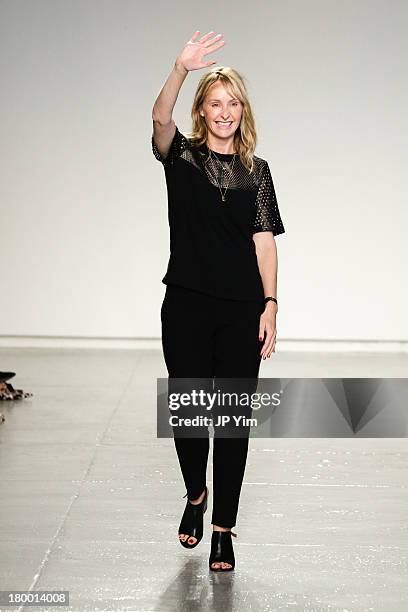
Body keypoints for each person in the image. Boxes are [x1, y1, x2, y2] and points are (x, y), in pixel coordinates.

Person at [151, 30, 285, 572]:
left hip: (239, 311)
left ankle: (223, 529)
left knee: (232, 422)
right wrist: (180, 68)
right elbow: (160, 120)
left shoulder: (258, 172)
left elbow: (264, 241)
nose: (224, 111)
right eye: (215, 103)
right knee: (188, 414)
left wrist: (271, 304)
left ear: (241, 111)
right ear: (202, 112)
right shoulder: (181, 158)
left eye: (232, 103)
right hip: (184, 304)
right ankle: (195, 496)